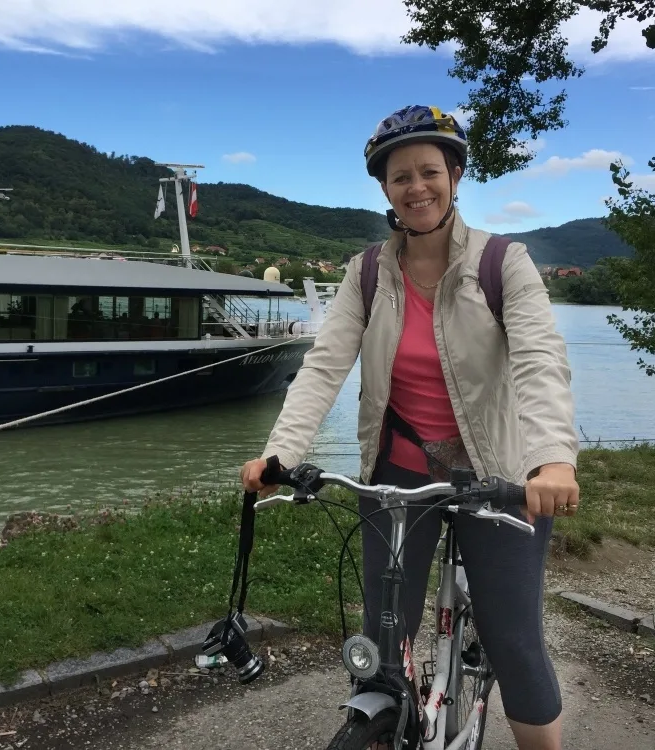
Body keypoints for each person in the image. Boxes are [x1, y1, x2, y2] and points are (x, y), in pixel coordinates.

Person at [240, 105, 580, 750]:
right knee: (383, 629)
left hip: (499, 473)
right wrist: (279, 454)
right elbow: (323, 366)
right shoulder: (369, 272)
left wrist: (552, 460)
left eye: (430, 171)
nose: (417, 187)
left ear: (454, 176)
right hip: (400, 470)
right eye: (401, 176)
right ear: (384, 188)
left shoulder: (502, 264)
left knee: (513, 637)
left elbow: (540, 361)